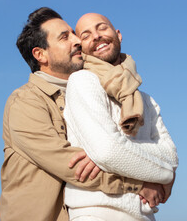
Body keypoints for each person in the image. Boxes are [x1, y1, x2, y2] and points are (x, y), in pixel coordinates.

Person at [0, 7, 155, 221]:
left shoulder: (94, 92)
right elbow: (72, 166)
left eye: (74, 33)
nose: (77, 41)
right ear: (40, 54)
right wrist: (140, 183)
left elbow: (127, 149)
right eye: (65, 37)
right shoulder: (25, 102)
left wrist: (160, 174)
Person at [63, 13, 179, 221]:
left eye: (102, 28)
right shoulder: (82, 82)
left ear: (118, 34)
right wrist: (167, 175)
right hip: (96, 213)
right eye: (86, 35)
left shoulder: (146, 100)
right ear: (82, 47)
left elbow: (171, 156)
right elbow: (108, 152)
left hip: (144, 215)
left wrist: (116, 152)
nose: (97, 36)